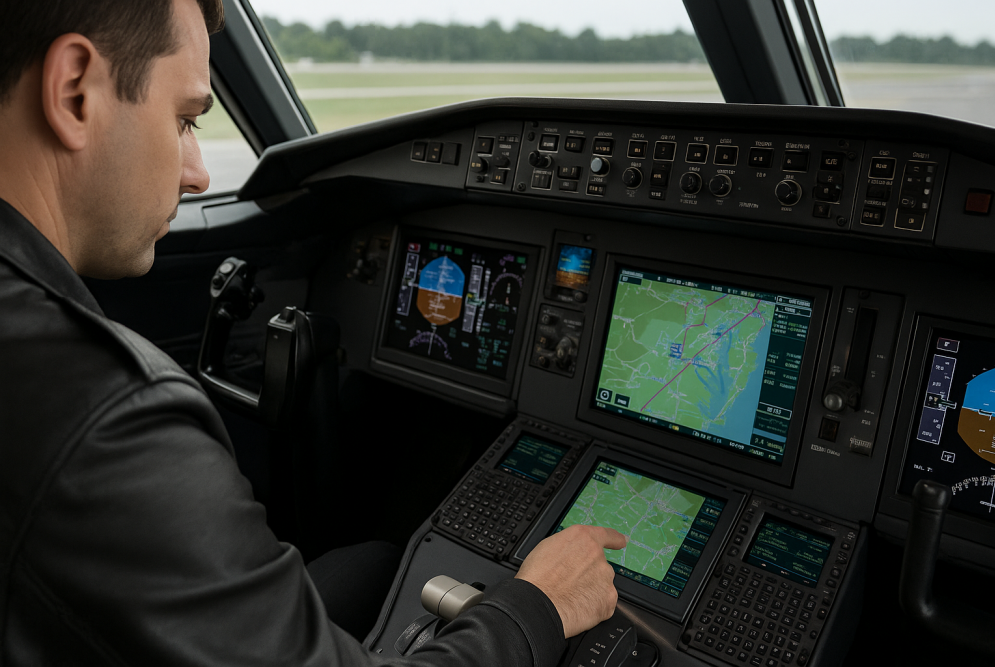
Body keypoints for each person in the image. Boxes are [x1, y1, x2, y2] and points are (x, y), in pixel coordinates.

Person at [0, 1, 627, 664]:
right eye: (184, 119)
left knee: (372, 562)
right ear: (74, 92)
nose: (199, 172)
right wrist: (538, 606)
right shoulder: (108, 425)